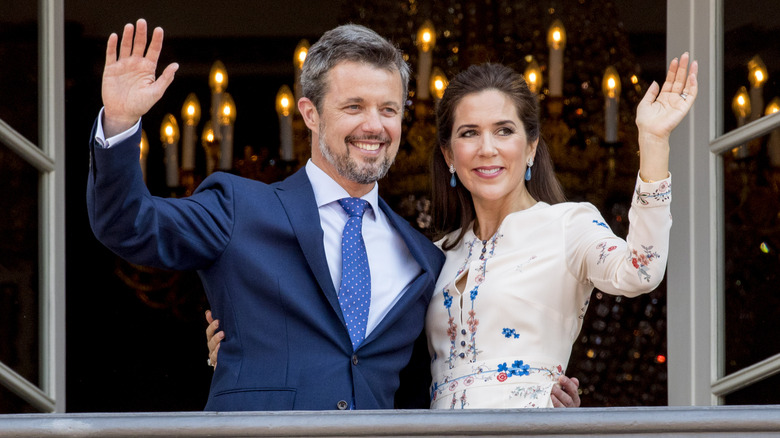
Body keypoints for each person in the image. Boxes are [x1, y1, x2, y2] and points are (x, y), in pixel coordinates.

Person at [88, 18, 581, 411]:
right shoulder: (240, 207)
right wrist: (121, 122)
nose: (374, 125)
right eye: (354, 106)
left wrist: (538, 398)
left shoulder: (424, 259)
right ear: (309, 113)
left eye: (389, 109)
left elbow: (429, 391)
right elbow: (128, 225)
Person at [424, 56, 697, 408]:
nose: (487, 148)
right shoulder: (436, 253)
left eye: (504, 130)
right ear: (449, 154)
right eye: (469, 133)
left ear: (531, 147)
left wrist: (654, 141)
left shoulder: (569, 225)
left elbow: (641, 271)